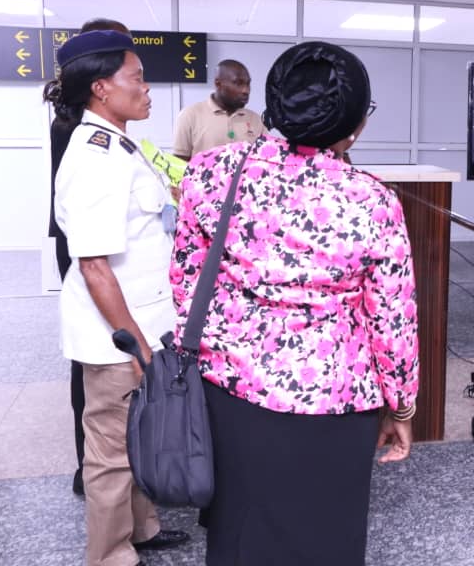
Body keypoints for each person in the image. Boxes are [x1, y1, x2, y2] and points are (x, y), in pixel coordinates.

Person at [171, 41, 418, 566]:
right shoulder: (373, 201)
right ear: (353, 126)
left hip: (230, 391)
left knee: (239, 529)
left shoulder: (210, 174)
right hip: (338, 399)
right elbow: (391, 317)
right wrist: (400, 404)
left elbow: (187, 280)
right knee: (328, 533)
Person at [47, 30, 189, 565]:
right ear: (103, 88)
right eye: (138, 78)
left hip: (143, 320)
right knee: (110, 454)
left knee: (138, 437)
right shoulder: (96, 156)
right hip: (116, 337)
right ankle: (109, 555)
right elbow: (94, 265)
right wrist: (134, 346)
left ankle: (143, 528)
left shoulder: (121, 141)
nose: (148, 88)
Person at [45, 17, 130, 498]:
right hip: (86, 243)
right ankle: (90, 463)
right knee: (95, 361)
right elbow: (93, 249)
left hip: (97, 242)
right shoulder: (82, 130)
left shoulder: (103, 125)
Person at [172, 59, 265, 160]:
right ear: (218, 84)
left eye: (248, 84)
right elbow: (179, 163)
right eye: (238, 83)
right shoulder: (190, 115)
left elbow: (266, 161)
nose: (246, 90)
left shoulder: (256, 120)